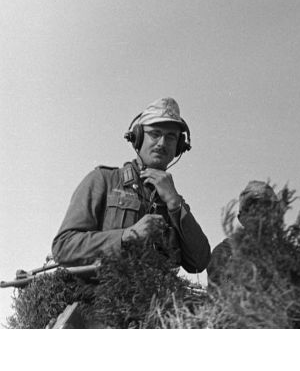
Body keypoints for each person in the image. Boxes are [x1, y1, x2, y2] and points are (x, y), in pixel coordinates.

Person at [51, 98, 211, 274]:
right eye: (155, 134)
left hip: (156, 291)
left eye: (171, 137)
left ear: (179, 146)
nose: (162, 143)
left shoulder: (173, 202)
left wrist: (174, 203)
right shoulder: (103, 180)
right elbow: (63, 247)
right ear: (138, 137)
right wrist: (127, 236)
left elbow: (199, 262)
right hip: (102, 289)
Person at [206, 181, 283, 287]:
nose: (264, 217)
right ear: (242, 218)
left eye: (270, 210)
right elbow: (224, 289)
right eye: (256, 210)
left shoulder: (283, 254)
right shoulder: (225, 253)